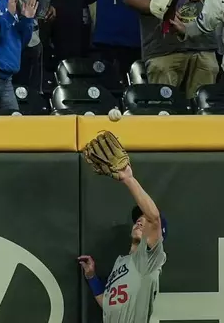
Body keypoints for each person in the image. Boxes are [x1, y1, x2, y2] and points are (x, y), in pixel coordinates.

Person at [77, 131, 167, 323]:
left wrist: (128, 179)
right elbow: (108, 304)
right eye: (138, 219)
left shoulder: (149, 260)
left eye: (145, 221)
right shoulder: (122, 262)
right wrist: (92, 277)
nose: (140, 221)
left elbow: (154, 218)